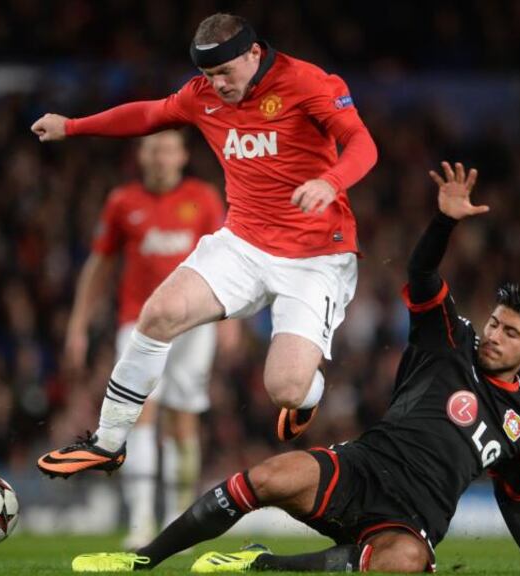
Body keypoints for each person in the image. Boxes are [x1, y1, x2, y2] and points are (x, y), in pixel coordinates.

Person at [69, 162, 520, 574]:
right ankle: (142, 559)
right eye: (496, 323)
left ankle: (263, 566)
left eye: (511, 334)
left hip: (411, 519)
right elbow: (422, 273)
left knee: (405, 562)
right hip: (363, 467)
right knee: (267, 477)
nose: (495, 336)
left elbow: (514, 499)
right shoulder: (451, 338)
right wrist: (445, 224)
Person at [34, 12, 378, 478]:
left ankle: (307, 396)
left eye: (225, 72)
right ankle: (108, 441)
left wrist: (329, 181)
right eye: (208, 75)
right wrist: (72, 127)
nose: (217, 84)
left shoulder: (308, 82)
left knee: (285, 388)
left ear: (253, 54)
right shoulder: (201, 98)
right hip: (243, 242)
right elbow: (149, 115)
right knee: (158, 314)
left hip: (316, 255)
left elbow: (362, 143)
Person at [64, 129, 228, 548]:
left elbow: (229, 260)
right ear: (141, 155)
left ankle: (177, 520)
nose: (160, 157)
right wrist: (78, 325)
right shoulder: (123, 202)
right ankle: (140, 521)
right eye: (153, 149)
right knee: (138, 416)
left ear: (182, 156)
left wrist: (232, 319)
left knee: (182, 419)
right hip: (137, 324)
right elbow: (98, 264)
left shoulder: (205, 198)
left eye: (168, 149)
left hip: (196, 323)